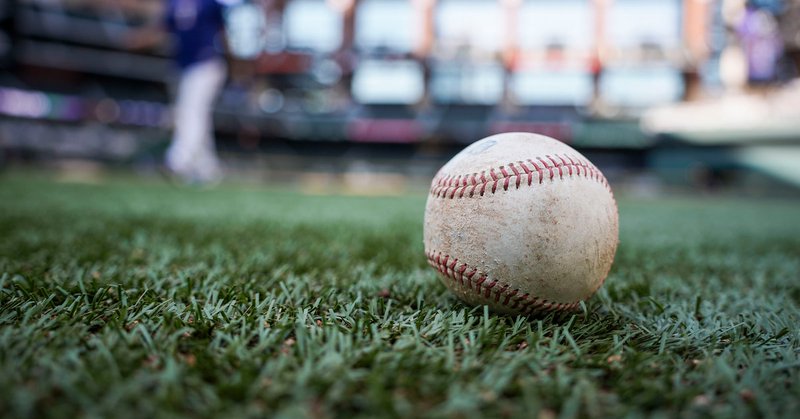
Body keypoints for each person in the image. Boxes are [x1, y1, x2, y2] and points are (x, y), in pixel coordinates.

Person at [128, 0, 239, 184]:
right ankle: (207, 168)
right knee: (194, 114)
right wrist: (139, 39)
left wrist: (234, 64)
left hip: (207, 62)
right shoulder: (173, 4)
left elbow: (224, 34)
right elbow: (164, 29)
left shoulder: (209, 3)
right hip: (182, 66)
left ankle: (177, 161)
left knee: (190, 111)